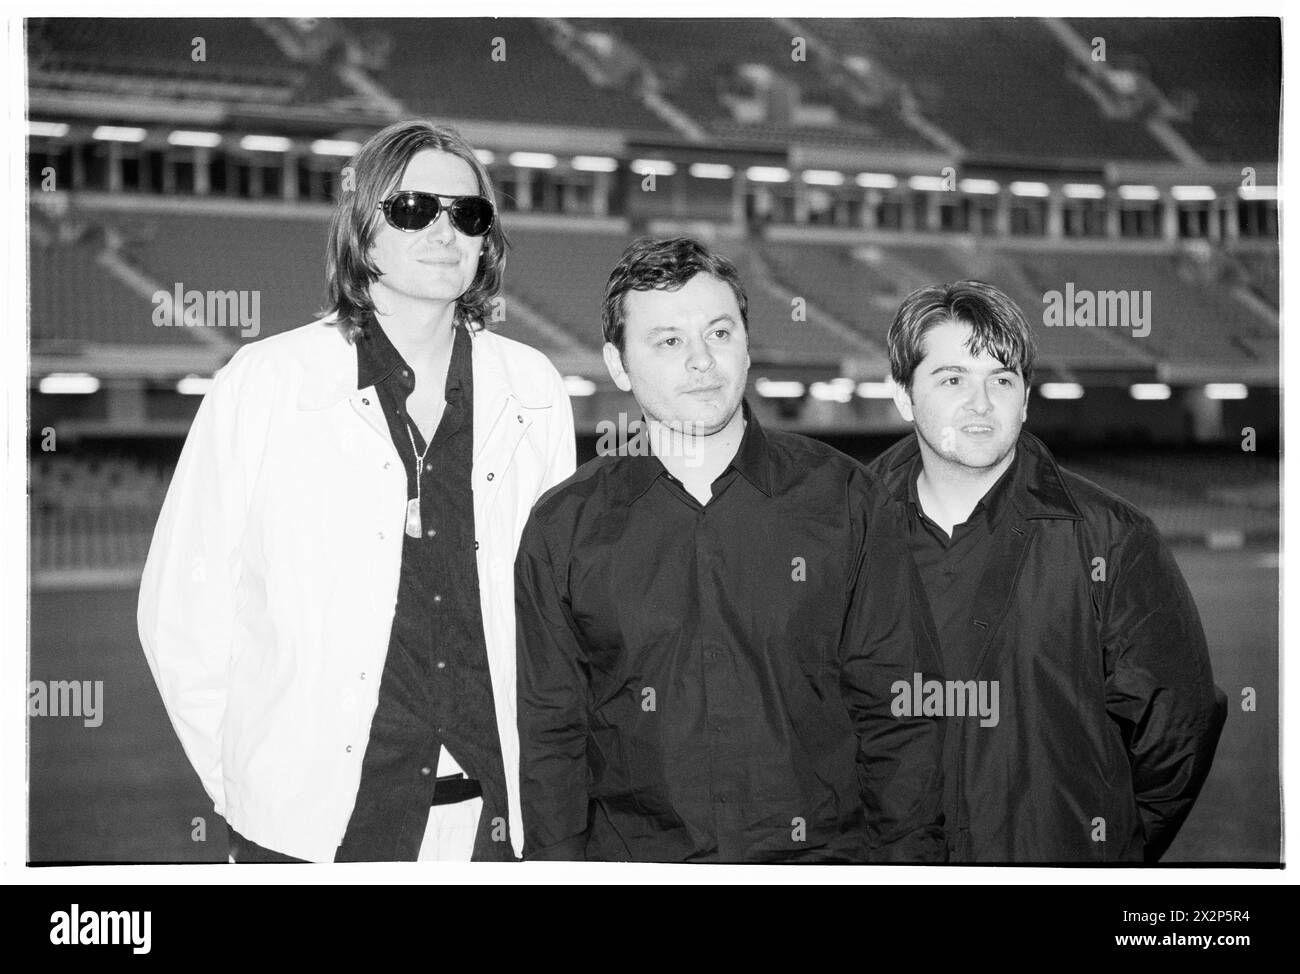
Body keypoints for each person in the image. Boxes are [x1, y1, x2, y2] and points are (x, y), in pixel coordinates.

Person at [137, 119, 575, 863]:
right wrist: (250, 784)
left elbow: (551, 611)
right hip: (312, 832)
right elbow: (182, 611)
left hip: (493, 820)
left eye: (468, 214)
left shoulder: (533, 386)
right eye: (414, 209)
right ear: (363, 229)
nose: (445, 231)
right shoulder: (267, 382)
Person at [515, 236, 945, 863]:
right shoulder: (564, 527)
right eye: (668, 341)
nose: (701, 361)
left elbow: (899, 714)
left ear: (746, 344)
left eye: (719, 333)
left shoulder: (846, 500)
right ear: (618, 363)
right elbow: (552, 738)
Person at [867, 280, 1226, 863]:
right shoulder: (844, 537)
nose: (981, 403)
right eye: (953, 379)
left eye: (1001, 380)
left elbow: (1178, 729)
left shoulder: (1112, 538)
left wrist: (1102, 850)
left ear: (1026, 399)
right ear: (904, 396)